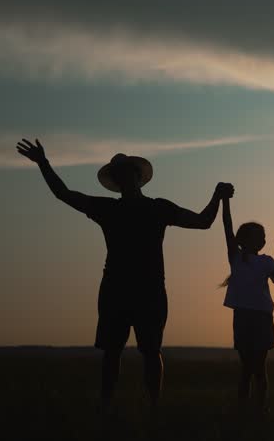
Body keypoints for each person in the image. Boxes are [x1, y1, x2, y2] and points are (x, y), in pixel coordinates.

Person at [15, 139, 234, 414]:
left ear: (138, 178)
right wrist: (43, 163)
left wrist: (216, 196)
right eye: (120, 175)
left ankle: (153, 407)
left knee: (151, 350)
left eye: (128, 173)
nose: (125, 178)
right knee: (112, 351)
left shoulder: (157, 208)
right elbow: (64, 194)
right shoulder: (108, 209)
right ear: (118, 181)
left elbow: (203, 222)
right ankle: (107, 406)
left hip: (149, 289)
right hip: (116, 288)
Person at [219, 196, 274, 413]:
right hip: (244, 317)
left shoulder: (266, 261)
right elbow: (227, 227)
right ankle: (245, 408)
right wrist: (224, 201)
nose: (263, 240)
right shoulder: (237, 257)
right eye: (260, 237)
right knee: (247, 368)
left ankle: (259, 408)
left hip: (262, 317)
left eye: (264, 237)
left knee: (259, 368)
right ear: (244, 240)